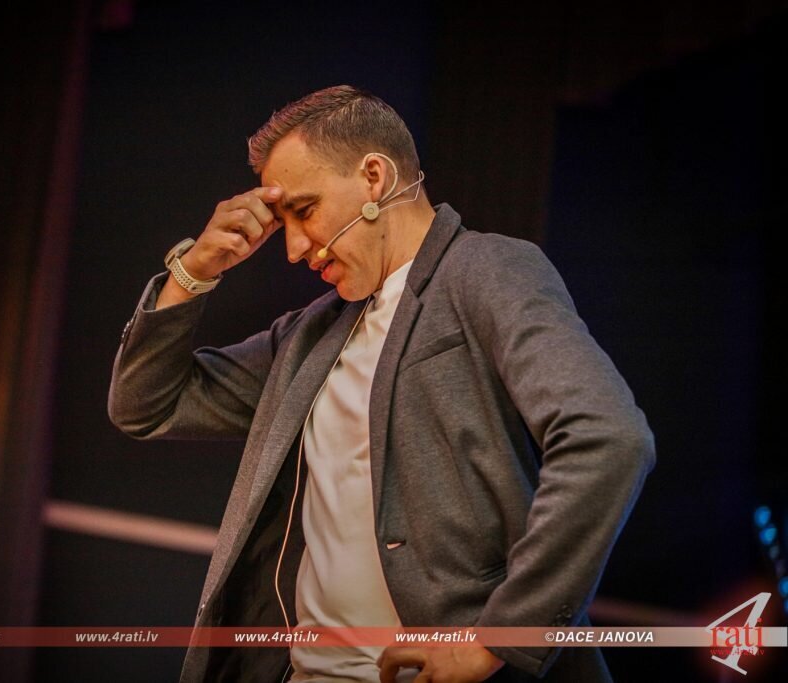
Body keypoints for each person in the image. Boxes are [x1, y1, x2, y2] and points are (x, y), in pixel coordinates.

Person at [108, 85, 655, 683]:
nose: (293, 248)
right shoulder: (311, 335)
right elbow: (146, 406)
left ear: (374, 177)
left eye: (305, 210)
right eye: (284, 222)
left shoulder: (485, 270)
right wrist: (192, 273)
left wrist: (501, 637)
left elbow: (607, 439)